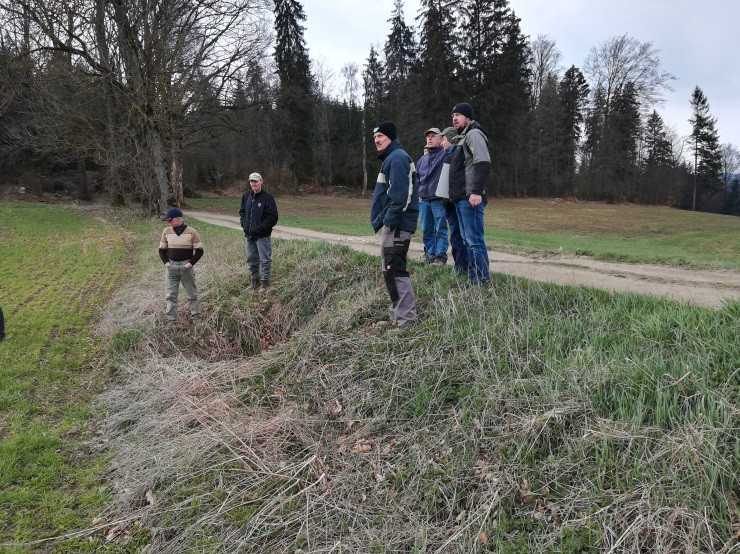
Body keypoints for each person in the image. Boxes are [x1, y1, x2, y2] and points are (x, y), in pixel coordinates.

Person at [370, 121, 419, 330]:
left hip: (398, 224)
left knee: (395, 269)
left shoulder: (397, 158)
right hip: (393, 223)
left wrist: (389, 221)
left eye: (380, 136)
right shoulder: (390, 158)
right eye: (374, 138)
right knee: (390, 270)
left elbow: (401, 197)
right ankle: (396, 315)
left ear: (390, 137)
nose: (377, 141)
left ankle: (406, 321)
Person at [449, 102, 491, 286]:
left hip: (470, 198)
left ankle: (480, 281)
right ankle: (473, 278)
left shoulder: (473, 134)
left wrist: (476, 192)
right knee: (468, 241)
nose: (454, 118)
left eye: (458, 114)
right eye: (453, 115)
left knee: (474, 241)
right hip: (461, 198)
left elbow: (483, 163)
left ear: (468, 117)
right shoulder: (462, 138)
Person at [158, 208, 204, 323]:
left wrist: (189, 264)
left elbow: (199, 250)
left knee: (192, 295)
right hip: (171, 268)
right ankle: (171, 321)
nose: (169, 223)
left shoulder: (192, 232)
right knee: (171, 296)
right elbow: (161, 250)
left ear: (178, 219)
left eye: (170, 220)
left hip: (186, 268)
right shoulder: (166, 231)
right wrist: (167, 263)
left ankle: (196, 319)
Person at [239, 172, 279, 293]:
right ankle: (254, 281)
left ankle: (264, 283)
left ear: (261, 181)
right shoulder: (246, 196)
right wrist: (244, 224)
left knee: (265, 259)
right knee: (251, 259)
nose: (254, 183)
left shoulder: (268, 198)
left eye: (256, 181)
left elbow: (273, 217)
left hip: (262, 236)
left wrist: (260, 228)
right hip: (249, 235)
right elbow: (242, 212)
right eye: (251, 181)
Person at [438, 126, 469, 274]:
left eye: (443, 139)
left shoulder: (456, 155)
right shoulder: (448, 156)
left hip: (456, 202)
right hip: (449, 203)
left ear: (450, 139)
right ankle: (460, 267)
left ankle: (462, 268)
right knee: (455, 236)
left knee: (459, 236)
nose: (441, 142)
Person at [417, 127, 449, 265]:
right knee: (426, 230)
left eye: (433, 136)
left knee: (441, 229)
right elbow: (417, 178)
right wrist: (418, 193)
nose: (429, 138)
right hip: (424, 201)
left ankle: (440, 256)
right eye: (427, 136)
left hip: (439, 200)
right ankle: (430, 255)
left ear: (440, 138)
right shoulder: (422, 160)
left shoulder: (445, 154)